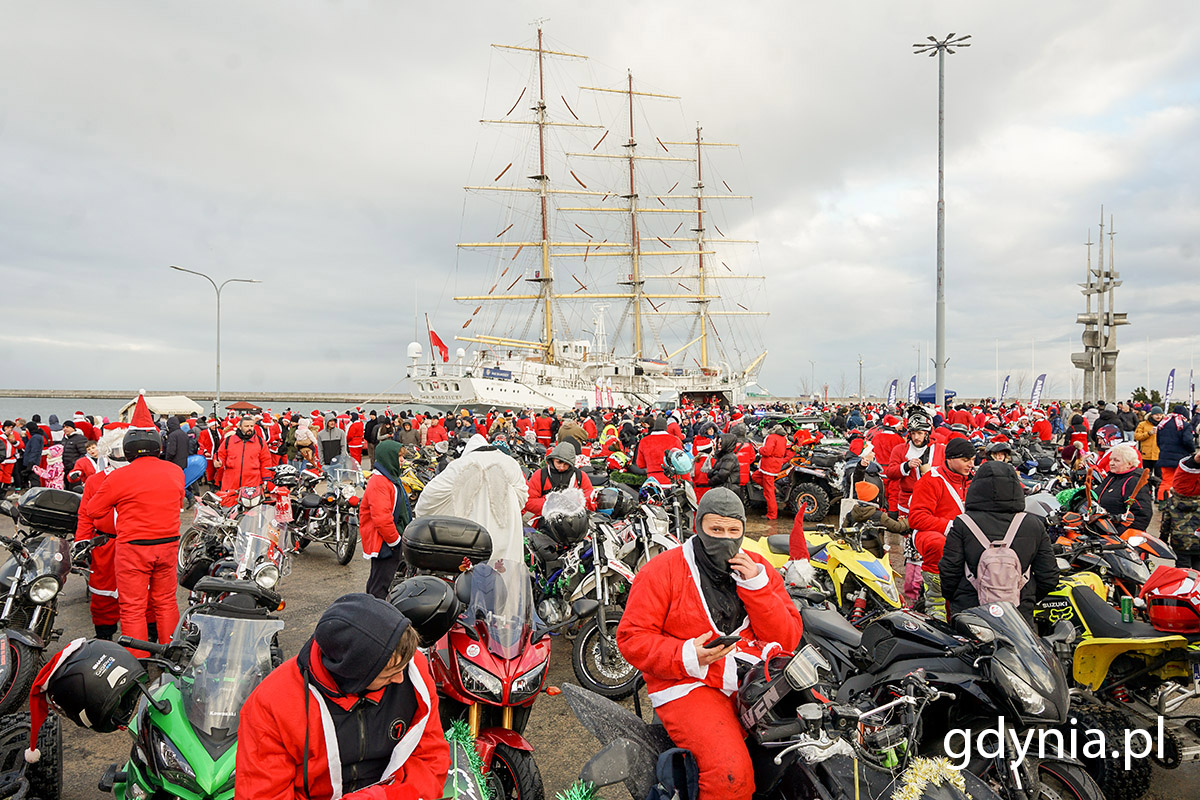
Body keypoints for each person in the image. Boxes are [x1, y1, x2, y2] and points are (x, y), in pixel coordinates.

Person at [617, 488, 803, 800]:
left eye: (734, 531)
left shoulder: (758, 568)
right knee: (730, 774)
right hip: (688, 682)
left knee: (806, 749)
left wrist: (756, 588)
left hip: (752, 677)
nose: (725, 539)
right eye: (715, 529)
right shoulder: (662, 570)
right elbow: (631, 638)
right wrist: (687, 654)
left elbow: (786, 640)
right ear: (697, 525)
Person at [236, 594, 449, 800]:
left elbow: (431, 759)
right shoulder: (273, 704)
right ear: (355, 675)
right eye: (389, 674)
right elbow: (262, 794)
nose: (400, 680)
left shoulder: (414, 672)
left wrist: (387, 796)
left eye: (404, 667)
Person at [88, 396, 185, 652]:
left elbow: (93, 510)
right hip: (167, 546)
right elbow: (178, 500)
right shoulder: (175, 472)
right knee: (165, 603)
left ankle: (138, 661)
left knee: (133, 607)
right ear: (157, 445)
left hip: (133, 549)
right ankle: (171, 656)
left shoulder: (119, 477)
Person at [939, 460, 1058, 623]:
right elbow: (1049, 575)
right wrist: (1027, 598)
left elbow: (949, 571)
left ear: (976, 488)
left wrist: (956, 598)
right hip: (1018, 616)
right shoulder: (1033, 524)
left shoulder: (963, 523)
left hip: (971, 613)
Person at [414, 434, 528, 564]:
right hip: (506, 534)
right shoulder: (511, 463)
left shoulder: (459, 465)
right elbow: (522, 497)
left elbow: (429, 497)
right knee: (504, 574)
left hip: (471, 538)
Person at [908, 436, 975, 622]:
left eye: (972, 459)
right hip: (936, 536)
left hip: (968, 535)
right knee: (939, 545)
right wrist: (951, 526)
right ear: (950, 458)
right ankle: (935, 599)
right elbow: (917, 518)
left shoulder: (974, 481)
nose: (971, 464)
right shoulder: (931, 480)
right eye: (965, 460)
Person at [74, 428, 129, 639]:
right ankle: (104, 635)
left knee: (144, 593)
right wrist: (82, 541)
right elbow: (85, 515)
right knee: (103, 592)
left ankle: (146, 639)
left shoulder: (141, 478)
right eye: (118, 450)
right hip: (104, 544)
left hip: (135, 544)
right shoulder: (95, 481)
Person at [360, 441, 413, 599]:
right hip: (384, 542)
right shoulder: (379, 482)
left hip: (389, 539)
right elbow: (382, 518)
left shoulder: (389, 477)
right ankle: (376, 615)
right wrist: (395, 541)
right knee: (380, 583)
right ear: (388, 457)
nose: (402, 460)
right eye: (399, 456)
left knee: (378, 579)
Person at [524, 442, 595, 516]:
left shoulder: (580, 476)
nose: (562, 467)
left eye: (566, 464)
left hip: (574, 519)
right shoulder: (540, 475)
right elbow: (528, 501)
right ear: (552, 459)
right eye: (559, 462)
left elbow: (590, 499)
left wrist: (574, 504)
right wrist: (552, 505)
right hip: (545, 518)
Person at [1096, 444, 1153, 533]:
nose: (1111, 463)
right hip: (1103, 530)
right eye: (1111, 459)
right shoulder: (1112, 477)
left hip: (1119, 536)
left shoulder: (1134, 481)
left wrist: (1119, 533)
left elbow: (1142, 515)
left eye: (1116, 460)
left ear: (1129, 464)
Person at [1160, 450, 1200, 569]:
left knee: (1182, 571)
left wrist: (1163, 539)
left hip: (1180, 543)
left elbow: (1165, 523)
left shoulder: (1172, 502)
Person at [216, 415, 274, 491]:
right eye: (246, 426)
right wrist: (218, 463)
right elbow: (220, 456)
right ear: (239, 427)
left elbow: (266, 462)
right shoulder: (229, 440)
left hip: (252, 482)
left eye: (251, 426)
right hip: (230, 482)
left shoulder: (260, 442)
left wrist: (266, 480)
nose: (249, 428)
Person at [1156, 405, 1196, 503]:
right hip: (1180, 458)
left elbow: (1158, 441)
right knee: (1179, 481)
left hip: (1164, 457)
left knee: (1166, 481)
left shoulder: (1162, 424)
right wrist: (1192, 451)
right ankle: (1176, 502)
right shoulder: (1185, 425)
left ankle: (1162, 502)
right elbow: (1187, 441)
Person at [751, 424, 789, 520]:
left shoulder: (771, 437)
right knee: (755, 476)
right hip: (776, 463)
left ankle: (772, 514)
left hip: (768, 465)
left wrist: (759, 449)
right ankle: (773, 487)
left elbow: (767, 451)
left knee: (769, 492)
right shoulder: (783, 438)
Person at [633, 416, 685, 487]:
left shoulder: (644, 441)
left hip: (653, 481)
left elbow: (640, 464)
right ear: (666, 427)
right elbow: (681, 463)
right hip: (671, 481)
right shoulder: (674, 440)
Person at [1135, 406, 1163, 488]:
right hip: (1146, 455)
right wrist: (1148, 433)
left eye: (1160, 415)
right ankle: (1148, 493)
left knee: (1159, 477)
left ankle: (1159, 496)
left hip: (1159, 455)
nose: (1158, 416)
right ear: (1151, 415)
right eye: (1156, 414)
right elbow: (1137, 436)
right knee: (1146, 477)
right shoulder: (1143, 424)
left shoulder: (1164, 425)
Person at [19, 422, 44, 489]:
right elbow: (28, 446)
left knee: (34, 479)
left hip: (32, 462)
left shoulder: (36, 438)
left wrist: (31, 463)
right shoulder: (36, 436)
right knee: (32, 478)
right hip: (32, 461)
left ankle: (36, 493)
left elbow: (34, 451)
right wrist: (25, 438)